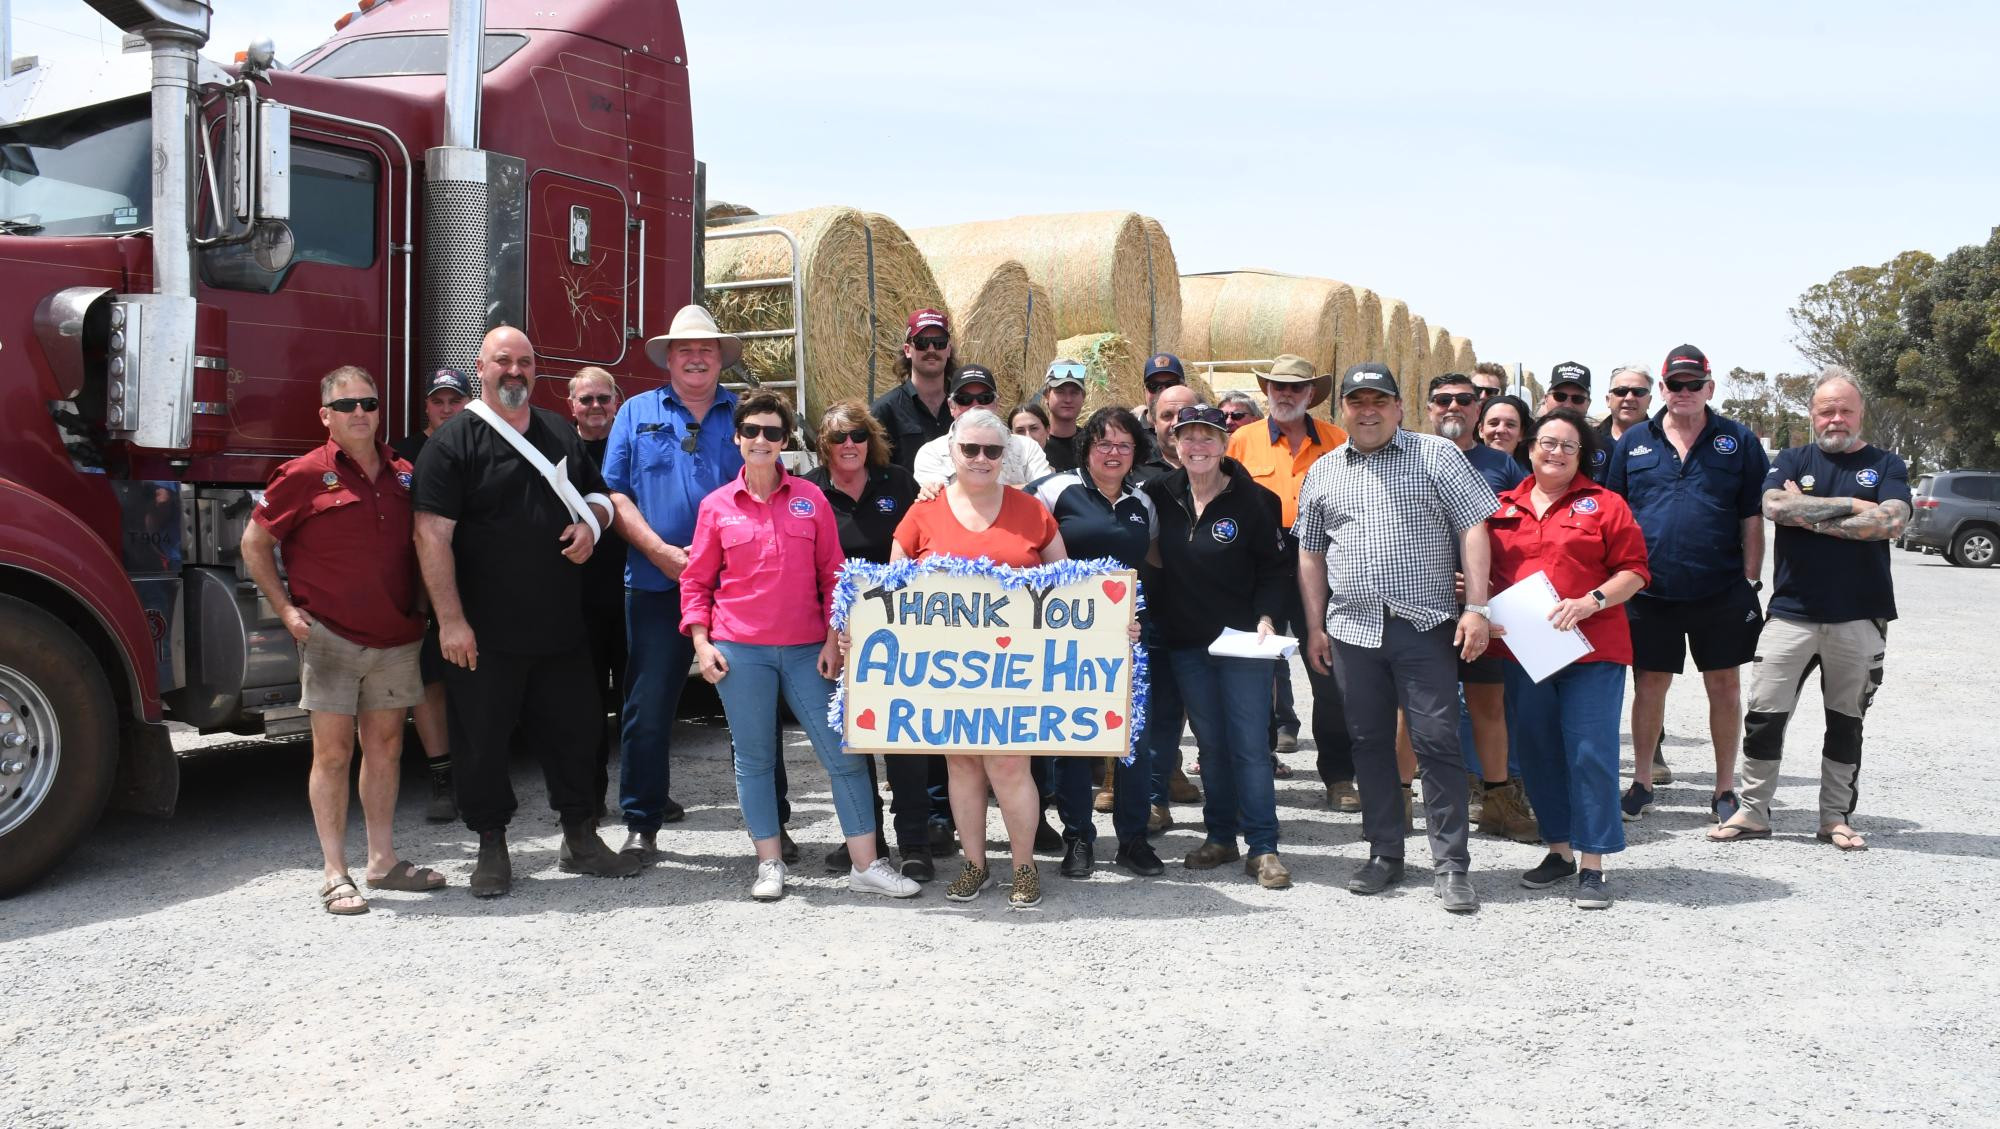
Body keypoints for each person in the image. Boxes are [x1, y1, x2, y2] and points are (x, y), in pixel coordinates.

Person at [413, 327, 641, 896]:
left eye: (525, 362)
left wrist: (592, 528)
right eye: (502, 362)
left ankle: (581, 839)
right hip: (483, 634)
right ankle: (491, 847)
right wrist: (452, 621)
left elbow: (598, 496)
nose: (514, 372)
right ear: (482, 368)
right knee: (482, 743)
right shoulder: (452, 443)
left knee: (576, 733)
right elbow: (430, 537)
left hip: (562, 627)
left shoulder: (557, 430)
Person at [681, 390, 922, 902]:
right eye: (752, 431)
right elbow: (697, 582)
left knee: (843, 756)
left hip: (807, 647)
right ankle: (769, 863)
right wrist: (702, 644)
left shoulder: (810, 501)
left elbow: (833, 574)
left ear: (786, 440)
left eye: (772, 432)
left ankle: (866, 864)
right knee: (754, 761)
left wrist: (834, 638)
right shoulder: (716, 507)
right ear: (738, 438)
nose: (762, 440)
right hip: (739, 650)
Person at [1295, 363, 1499, 914]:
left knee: (1437, 742)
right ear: (1341, 409)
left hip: (1425, 625)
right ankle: (1385, 852)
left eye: (1379, 401)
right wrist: (1315, 625)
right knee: (1368, 742)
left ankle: (1451, 865)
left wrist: (1476, 608)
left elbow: (1473, 527)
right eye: (1357, 401)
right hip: (1353, 630)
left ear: (1399, 407)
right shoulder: (1324, 470)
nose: (1368, 411)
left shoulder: (1437, 456)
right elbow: (1310, 552)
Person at [242, 366, 442, 915]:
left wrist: (425, 611)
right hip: (330, 637)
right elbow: (254, 543)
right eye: (347, 405)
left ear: (380, 411)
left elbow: (426, 547)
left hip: (396, 635)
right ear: (325, 416)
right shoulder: (304, 474)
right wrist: (285, 610)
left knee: (386, 748)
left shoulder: (405, 474)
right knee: (332, 754)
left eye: (369, 403)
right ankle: (335, 873)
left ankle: (382, 861)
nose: (360, 413)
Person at [1711, 368, 1909, 852]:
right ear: (1812, 414)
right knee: (1764, 716)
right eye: (1827, 410)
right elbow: (1776, 507)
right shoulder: (1792, 459)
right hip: (1791, 614)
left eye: (1845, 410)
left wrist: (1814, 513)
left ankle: (1834, 818)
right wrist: (1853, 508)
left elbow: (1891, 521)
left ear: (1860, 414)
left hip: (1860, 616)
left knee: (1845, 720)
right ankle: (1754, 812)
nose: (1836, 418)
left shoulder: (1887, 463)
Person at [891, 409, 1069, 909]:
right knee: (963, 766)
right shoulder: (921, 513)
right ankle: (974, 863)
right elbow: (888, 593)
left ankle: (1024, 867)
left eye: (993, 450)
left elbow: (1073, 590)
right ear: (951, 452)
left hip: (1017, 668)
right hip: (945, 669)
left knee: (1011, 766)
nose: (981, 459)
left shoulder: (1033, 511)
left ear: (1006, 455)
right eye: (970, 449)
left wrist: (1114, 624)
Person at [1486, 409, 1650, 908]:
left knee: (1590, 753)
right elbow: (1485, 574)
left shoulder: (1605, 504)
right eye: (1546, 442)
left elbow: (1636, 570)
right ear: (1529, 447)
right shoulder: (1498, 507)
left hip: (1592, 651)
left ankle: (1593, 863)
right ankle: (1558, 850)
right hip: (1527, 652)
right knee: (1536, 752)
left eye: (1567, 445)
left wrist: (1590, 602)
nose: (1554, 452)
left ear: (1582, 455)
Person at [600, 305, 747, 857]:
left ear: (719, 359)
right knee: (648, 703)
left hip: (734, 584)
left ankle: (770, 820)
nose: (696, 357)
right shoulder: (635, 412)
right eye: (685, 349)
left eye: (706, 349)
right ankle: (642, 821)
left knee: (749, 703)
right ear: (669, 358)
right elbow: (615, 494)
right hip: (657, 578)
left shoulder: (746, 414)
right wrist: (660, 551)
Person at [1606, 344, 1769, 826]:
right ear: (1662, 389)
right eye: (1674, 385)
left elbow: (1752, 516)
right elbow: (1614, 515)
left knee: (1724, 685)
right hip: (1648, 591)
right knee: (1650, 684)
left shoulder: (1737, 441)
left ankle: (1723, 788)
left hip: (1719, 588)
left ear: (1709, 389)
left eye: (1692, 385)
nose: (1683, 392)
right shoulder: (1634, 440)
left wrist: (1752, 580)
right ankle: (1641, 781)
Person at [1144, 404, 1293, 888]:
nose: (1197, 446)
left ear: (1225, 444)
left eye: (1208, 437)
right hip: (1187, 643)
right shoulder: (1158, 494)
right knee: (1211, 745)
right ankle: (1221, 837)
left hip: (1244, 644)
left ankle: (1264, 847)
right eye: (1188, 437)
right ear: (1174, 444)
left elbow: (1275, 569)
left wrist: (1268, 616)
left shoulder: (1256, 501)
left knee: (1249, 745)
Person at [1028, 406, 1165, 879]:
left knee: (1134, 741)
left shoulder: (1141, 502)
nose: (1113, 452)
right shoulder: (1054, 489)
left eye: (1124, 445)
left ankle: (1132, 840)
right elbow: (1009, 526)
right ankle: (1078, 838)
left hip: (1128, 637)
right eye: (1103, 443)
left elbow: (1151, 561)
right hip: (1067, 637)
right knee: (1073, 741)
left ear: (1135, 453)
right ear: (1086, 446)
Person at [801, 401, 934, 878]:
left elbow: (926, 539)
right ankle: (866, 840)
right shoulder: (810, 490)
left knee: (904, 742)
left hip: (900, 629)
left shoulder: (897, 481)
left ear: (870, 437)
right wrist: (829, 636)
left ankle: (915, 842)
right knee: (852, 743)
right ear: (824, 445)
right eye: (838, 438)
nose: (850, 445)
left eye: (857, 435)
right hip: (839, 635)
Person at [1225, 355, 1353, 804]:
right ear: (1266, 391)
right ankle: (1253, 770)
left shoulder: (1339, 440)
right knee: (1254, 668)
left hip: (1321, 558)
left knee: (1328, 668)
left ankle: (1338, 776)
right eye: (1277, 386)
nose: (1285, 394)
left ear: (1310, 395)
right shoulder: (1241, 440)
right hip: (1259, 563)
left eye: (1295, 388)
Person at [1425, 372, 1537, 842]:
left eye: (1464, 400)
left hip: (1482, 604)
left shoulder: (1503, 465)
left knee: (1487, 704)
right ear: (1429, 407)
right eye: (1443, 399)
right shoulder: (1409, 457)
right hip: (1423, 605)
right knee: (1415, 709)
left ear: (1478, 408)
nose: (1453, 407)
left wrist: (1484, 587)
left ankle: (1499, 801)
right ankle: (1400, 803)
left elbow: (1524, 535)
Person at [391, 367, 470, 823]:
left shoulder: (480, 443)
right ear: (426, 405)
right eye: (438, 400)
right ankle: (442, 780)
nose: (446, 409)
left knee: (476, 680)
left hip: (475, 582)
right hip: (422, 587)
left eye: (454, 401)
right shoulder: (402, 454)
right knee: (428, 683)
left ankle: (479, 772)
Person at [1132, 380, 1206, 822]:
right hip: (1151, 614)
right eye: (1167, 416)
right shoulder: (1133, 472)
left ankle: (1226, 815)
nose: (1177, 423)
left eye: (1186, 414)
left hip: (1202, 616)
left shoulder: (1222, 470)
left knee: (1204, 717)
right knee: (1153, 713)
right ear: (1154, 421)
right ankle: (1153, 797)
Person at [568, 366, 627, 819]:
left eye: (603, 399)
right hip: (579, 598)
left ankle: (643, 792)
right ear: (572, 405)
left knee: (637, 702)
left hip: (629, 593)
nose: (595, 407)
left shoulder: (628, 448)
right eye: (586, 400)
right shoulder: (558, 451)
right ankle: (588, 795)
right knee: (585, 704)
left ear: (616, 402)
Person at [912, 365, 1053, 487]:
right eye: (964, 399)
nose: (976, 406)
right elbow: (943, 505)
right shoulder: (932, 453)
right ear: (951, 406)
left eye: (985, 398)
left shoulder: (1027, 448)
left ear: (996, 403)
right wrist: (1023, 489)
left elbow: (1046, 493)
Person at [869, 308, 956, 470]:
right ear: (908, 350)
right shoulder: (884, 411)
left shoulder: (965, 404)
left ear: (948, 349)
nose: (931, 349)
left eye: (939, 343)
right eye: (922, 343)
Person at [1040, 359, 1089, 472]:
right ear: (1046, 396)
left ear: (1083, 397)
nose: (1068, 399)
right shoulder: (1035, 444)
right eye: (1060, 392)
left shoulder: (1092, 444)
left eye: (1074, 392)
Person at [1478, 394, 1531, 463]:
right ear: (1481, 430)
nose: (1501, 430)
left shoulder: (1536, 473)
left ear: (1521, 433)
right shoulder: (1462, 470)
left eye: (1510, 425)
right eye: (1493, 423)